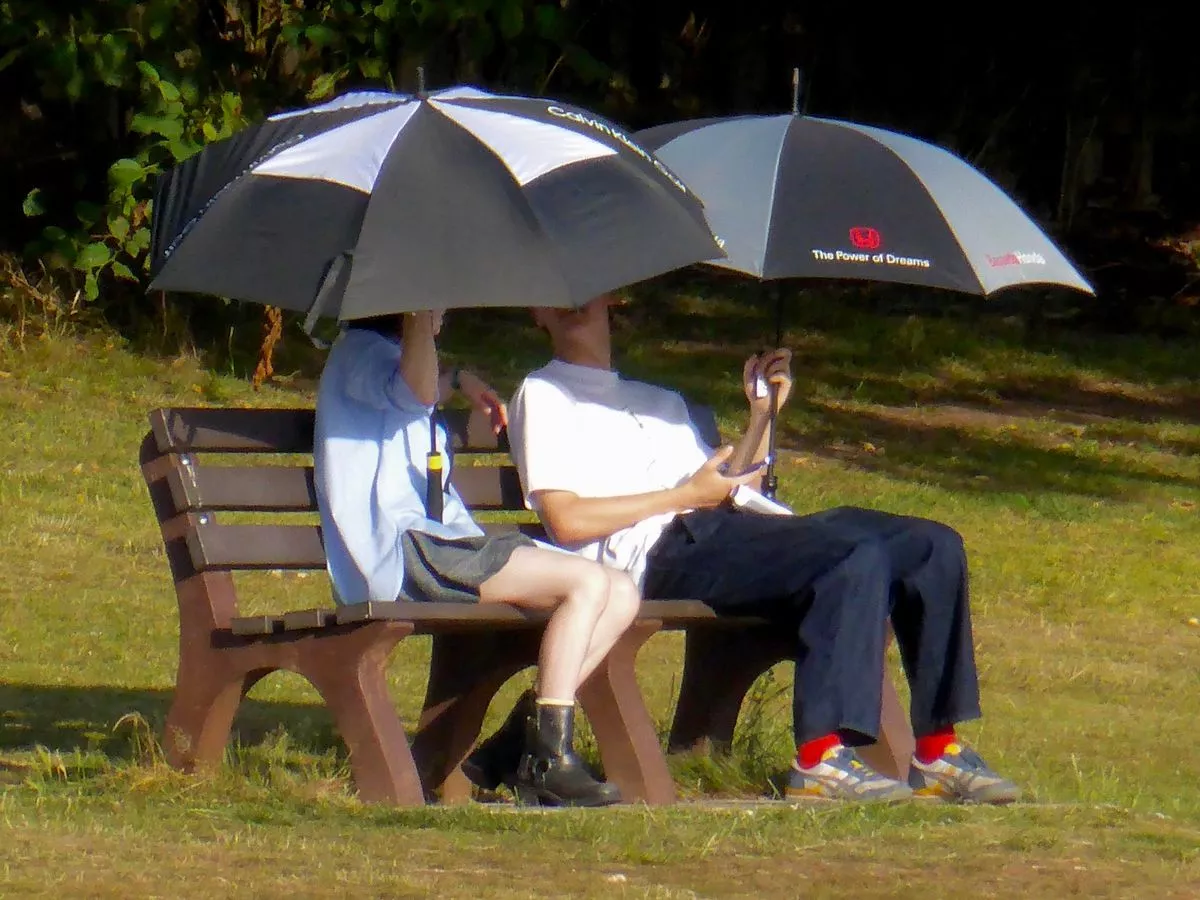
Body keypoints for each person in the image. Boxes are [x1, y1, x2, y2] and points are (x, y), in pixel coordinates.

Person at [496, 293, 1020, 804]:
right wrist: (684, 497)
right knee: (849, 554)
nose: (572, 298)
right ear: (536, 311)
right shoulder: (543, 394)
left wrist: (762, 415)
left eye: (587, 288)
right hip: (660, 550)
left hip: (729, 527)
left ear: (614, 299)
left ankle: (938, 748)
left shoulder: (662, 401)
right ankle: (819, 759)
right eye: (553, 291)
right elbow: (566, 521)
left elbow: (730, 485)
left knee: (932, 545)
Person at [313, 308, 641, 807]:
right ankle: (547, 761)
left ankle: (520, 742)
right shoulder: (356, 353)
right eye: (435, 303)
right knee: (588, 585)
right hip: (405, 554)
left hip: (443, 546)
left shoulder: (380, 360)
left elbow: (416, 388)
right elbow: (414, 393)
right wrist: (419, 315)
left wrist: (459, 378)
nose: (442, 312)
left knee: (621, 591)